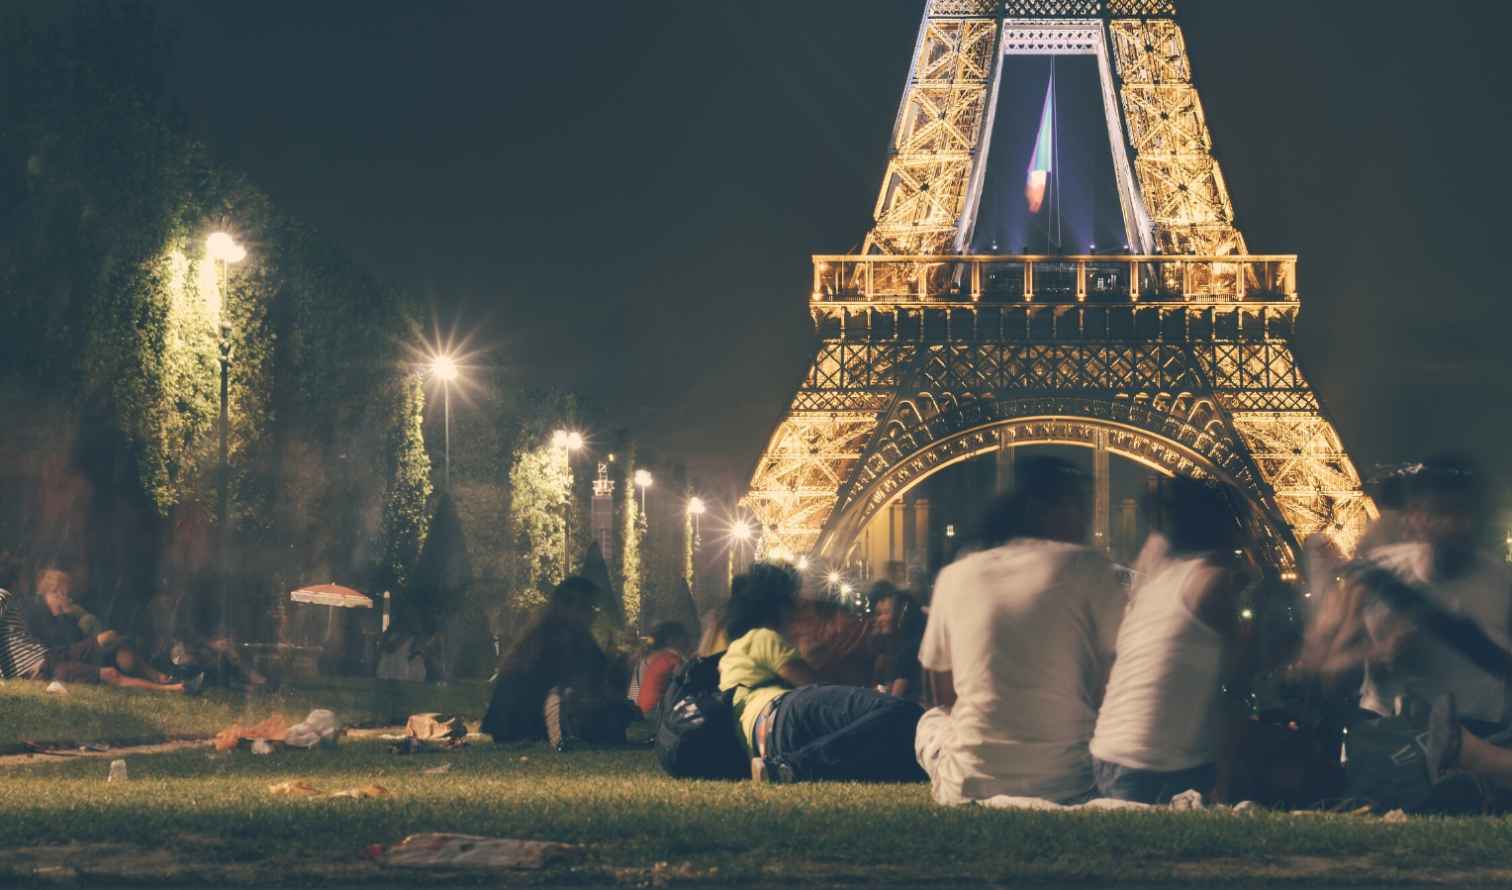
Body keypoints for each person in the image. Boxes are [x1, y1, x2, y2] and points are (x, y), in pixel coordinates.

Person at [914, 457, 1126, 805]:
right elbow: (1110, 686)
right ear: (1053, 509)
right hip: (1070, 781)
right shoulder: (1091, 567)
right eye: (1078, 507)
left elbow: (942, 695)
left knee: (930, 721)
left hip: (968, 784)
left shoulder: (957, 575)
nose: (1084, 519)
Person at [1301, 456, 1512, 805]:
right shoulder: (1376, 578)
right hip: (1394, 744)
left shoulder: (1503, 586)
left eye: (1463, 514)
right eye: (1441, 513)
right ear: (1415, 518)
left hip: (1480, 743)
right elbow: (1323, 669)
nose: (1454, 526)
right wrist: (1377, 654)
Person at [1089, 477, 1251, 804]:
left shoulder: (1155, 580)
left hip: (1109, 753)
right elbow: (1238, 682)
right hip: (1156, 766)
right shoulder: (1211, 581)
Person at [720, 563, 925, 784]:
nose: (797, 615)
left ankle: (787, 766)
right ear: (779, 608)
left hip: (768, 742)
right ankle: (791, 768)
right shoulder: (761, 637)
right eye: (793, 605)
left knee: (893, 751)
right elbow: (814, 685)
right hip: (782, 714)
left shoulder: (730, 657)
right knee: (905, 712)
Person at [481, 576, 638, 750]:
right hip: (532, 725)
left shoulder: (538, 635)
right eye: (591, 607)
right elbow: (588, 687)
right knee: (613, 712)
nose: (594, 614)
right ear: (573, 607)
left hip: (508, 728)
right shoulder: (567, 637)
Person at [21, 567, 200, 693]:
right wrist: (94, 641)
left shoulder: (64, 616)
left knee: (117, 647)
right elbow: (51, 653)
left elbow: (74, 642)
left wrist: (82, 625)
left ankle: (161, 677)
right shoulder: (36, 614)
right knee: (110, 669)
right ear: (54, 592)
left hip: (70, 655)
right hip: (56, 663)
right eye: (66, 594)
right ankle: (171, 688)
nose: (69, 599)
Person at [869, 584, 926, 702]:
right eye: (878, 614)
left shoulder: (908, 649)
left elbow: (894, 701)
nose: (880, 619)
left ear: (902, 615)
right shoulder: (890, 647)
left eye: (886, 613)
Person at [636, 620, 691, 717]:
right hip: (654, 712)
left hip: (644, 710)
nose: (687, 640)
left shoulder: (660, 657)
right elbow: (687, 682)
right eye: (683, 636)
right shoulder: (672, 659)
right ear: (671, 640)